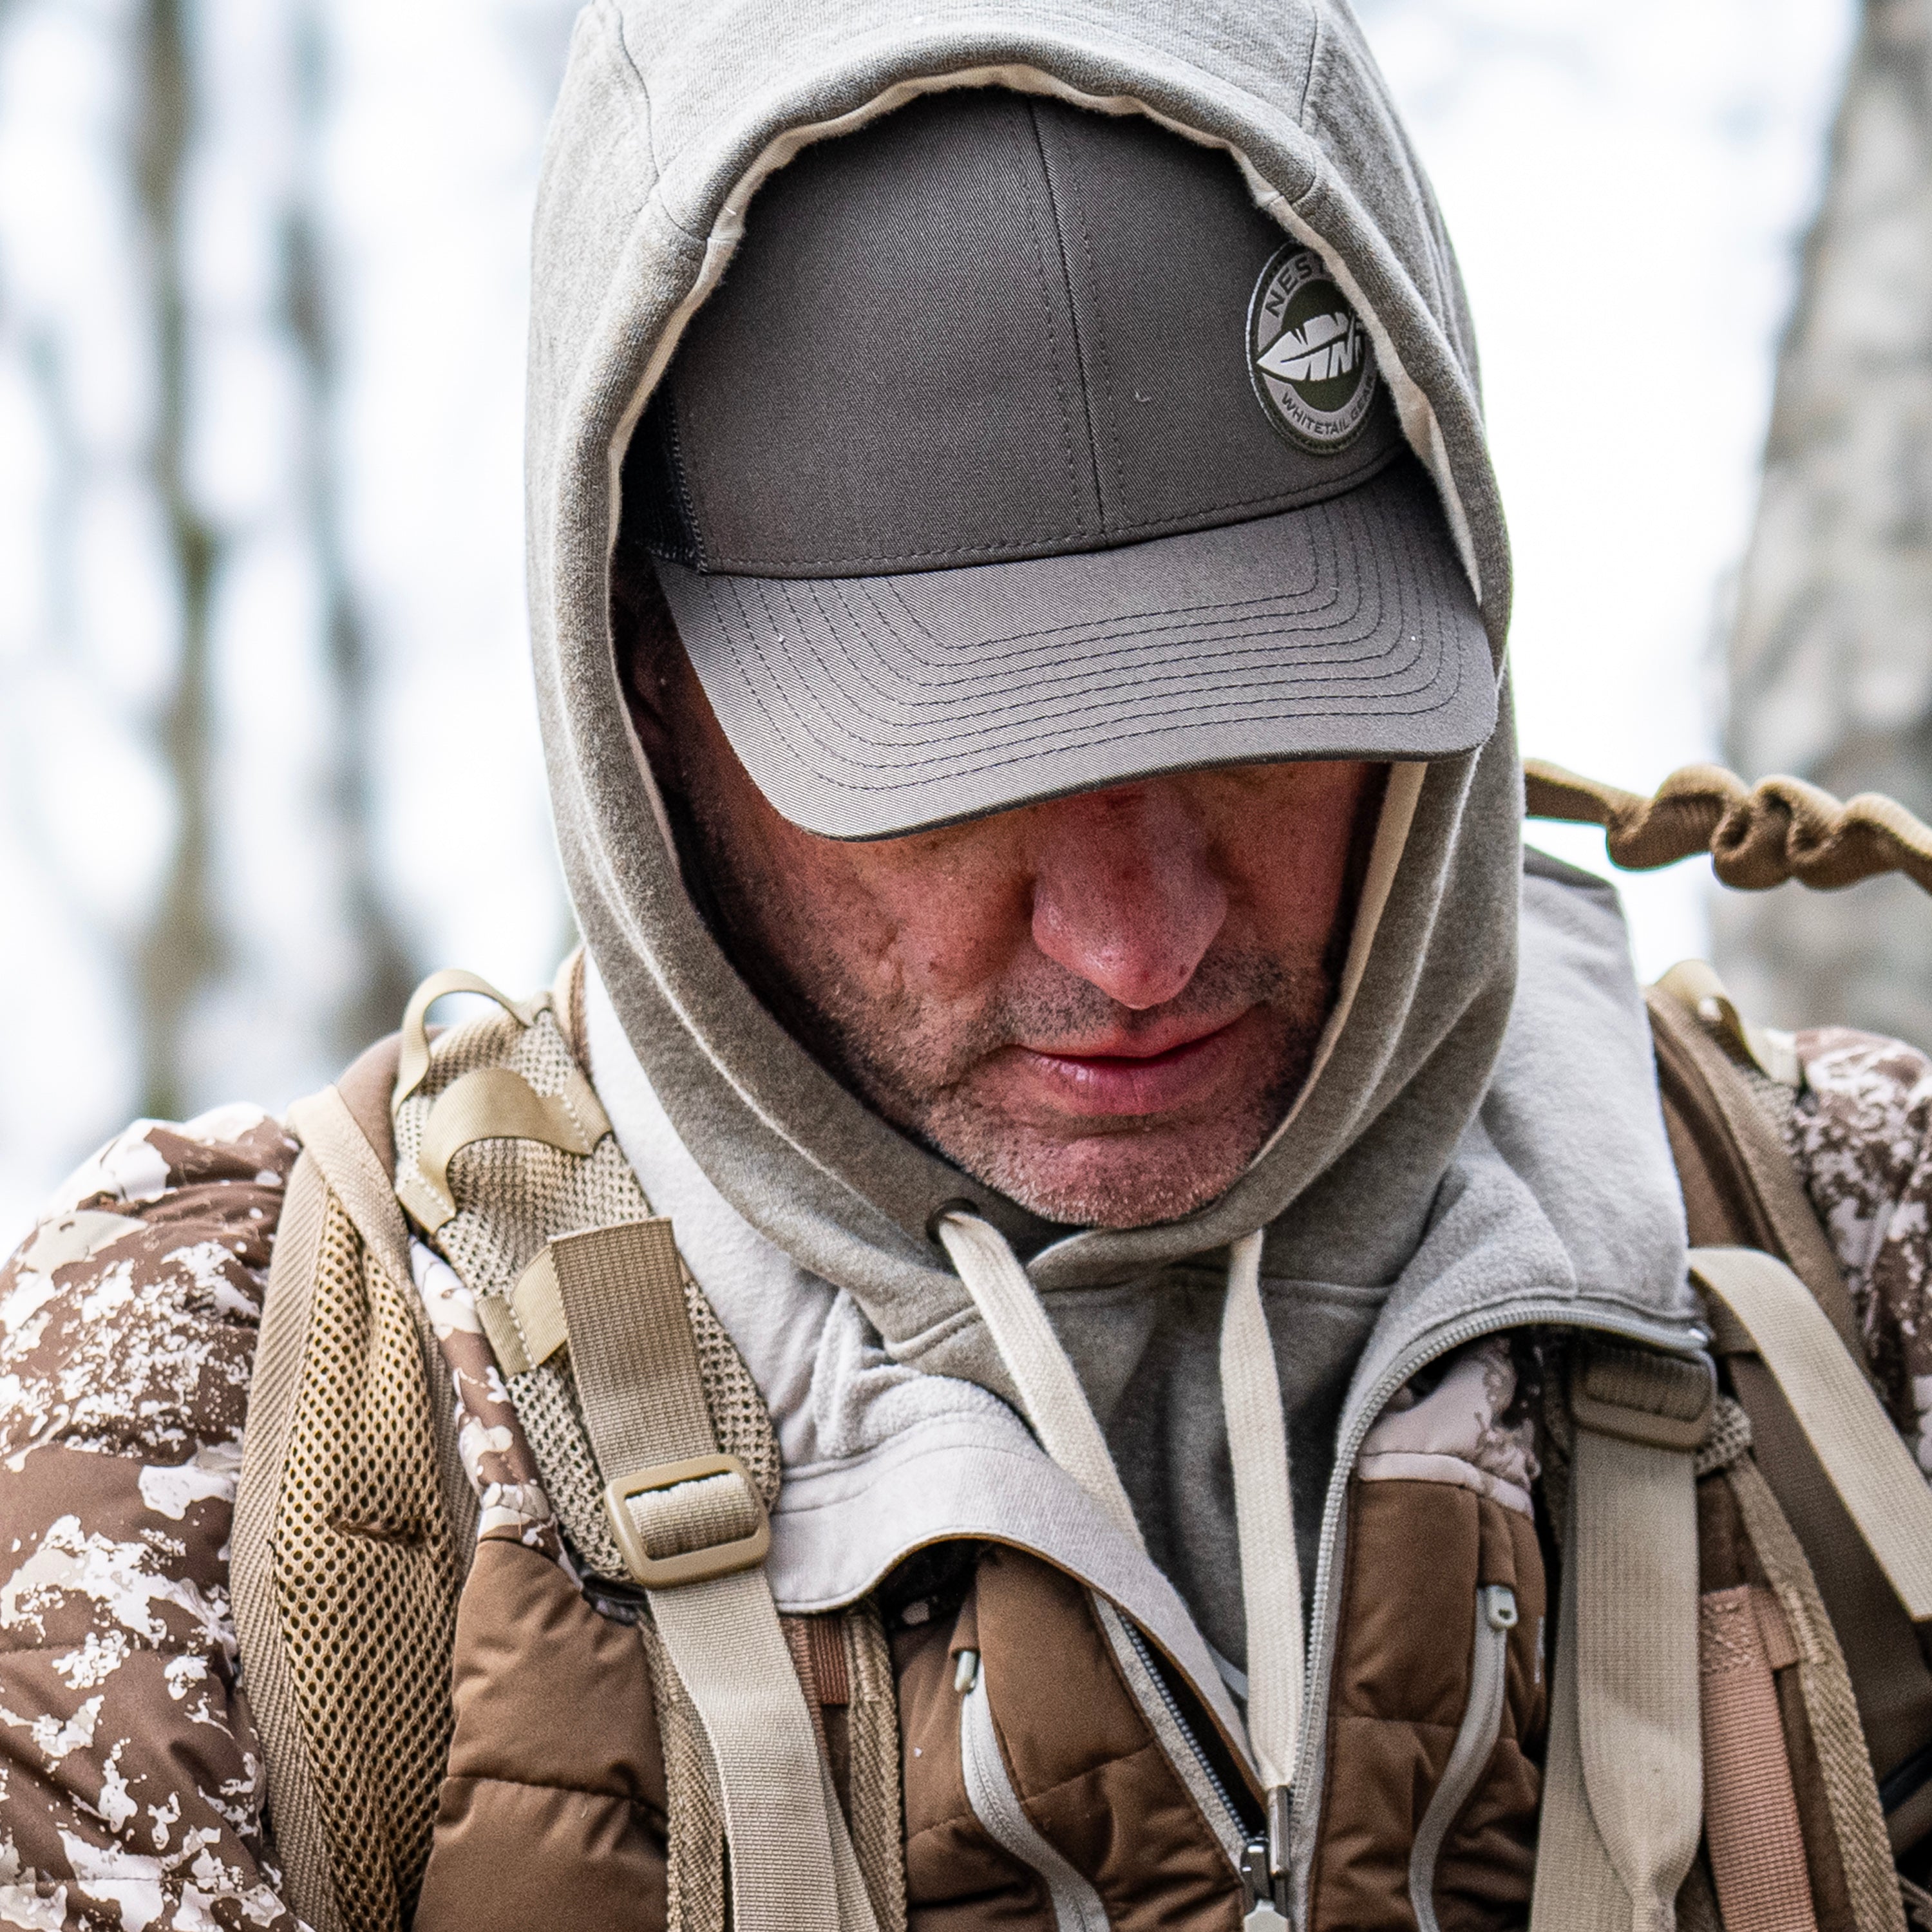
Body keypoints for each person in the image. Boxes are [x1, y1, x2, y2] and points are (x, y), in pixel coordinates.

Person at [3, 5, 1931, 1929]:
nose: (1138, 938)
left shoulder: (1861, 1264)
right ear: (644, 686)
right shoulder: (211, 1417)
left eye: (1257, 731)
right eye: (951, 778)